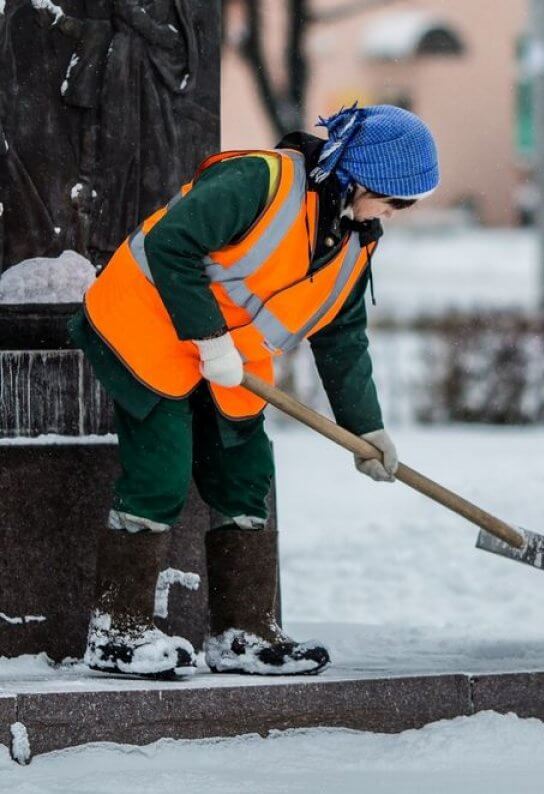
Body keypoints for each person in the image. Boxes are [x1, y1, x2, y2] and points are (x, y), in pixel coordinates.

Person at [67, 103, 438, 679]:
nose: (394, 214)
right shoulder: (260, 181)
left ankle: (242, 634)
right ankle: (116, 632)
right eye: (394, 200)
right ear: (358, 176)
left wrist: (365, 427)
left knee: (245, 475)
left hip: (233, 359)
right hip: (149, 324)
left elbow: (341, 334)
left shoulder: (355, 237)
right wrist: (207, 338)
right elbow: (171, 245)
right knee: (161, 470)